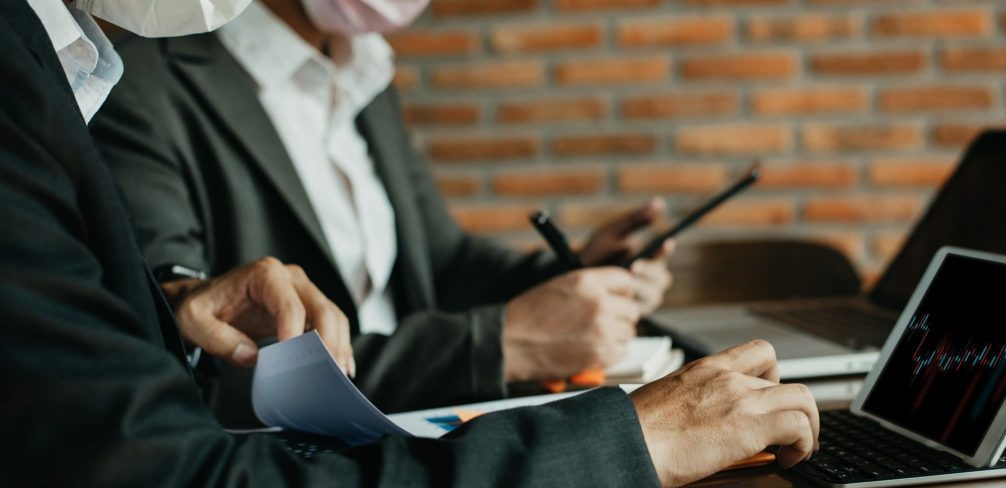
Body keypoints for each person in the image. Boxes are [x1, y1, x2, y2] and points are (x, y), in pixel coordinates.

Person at [0, 0, 819, 488]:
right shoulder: (100, 70)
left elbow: (436, 255)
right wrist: (626, 433)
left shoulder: (357, 72)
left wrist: (172, 304)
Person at [90, 0, 676, 418]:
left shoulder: (366, 70)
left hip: (431, 434)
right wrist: (495, 345)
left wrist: (574, 274)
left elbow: (440, 261)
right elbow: (191, 354)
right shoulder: (137, 84)